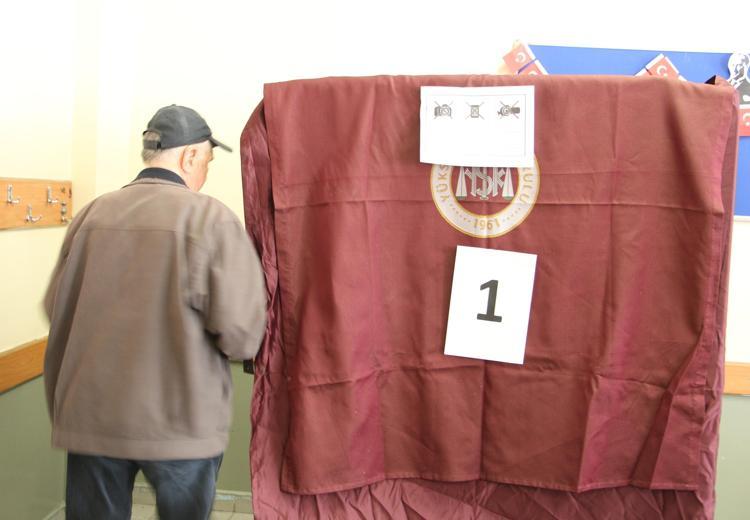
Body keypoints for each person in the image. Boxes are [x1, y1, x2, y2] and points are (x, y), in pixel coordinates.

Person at [43, 105, 267, 520]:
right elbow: (241, 335)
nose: (205, 172)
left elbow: (54, 306)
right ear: (190, 156)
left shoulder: (90, 215)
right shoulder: (210, 218)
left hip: (92, 419)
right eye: (208, 162)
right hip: (180, 425)